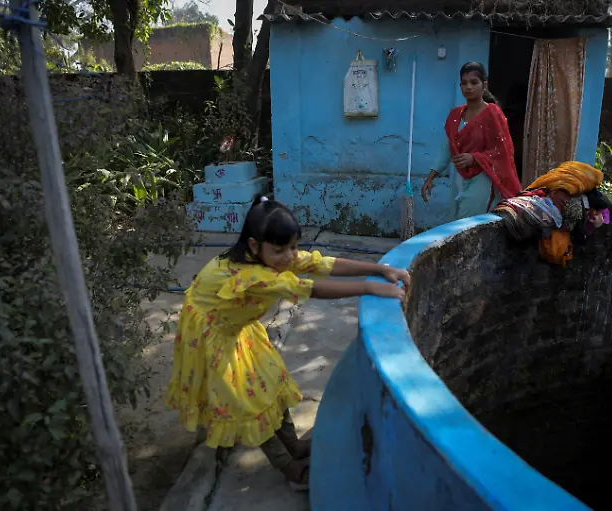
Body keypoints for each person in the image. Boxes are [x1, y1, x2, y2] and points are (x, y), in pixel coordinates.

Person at [164, 195, 410, 491]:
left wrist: (379, 270)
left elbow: (322, 264)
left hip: (237, 327)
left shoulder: (271, 257)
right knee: (247, 403)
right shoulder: (254, 276)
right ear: (254, 246)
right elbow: (310, 288)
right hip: (213, 336)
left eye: (293, 247)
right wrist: (369, 288)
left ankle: (293, 446)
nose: (290, 256)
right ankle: (288, 466)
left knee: (272, 383)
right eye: (280, 250)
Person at [421, 61, 522, 220]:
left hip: (484, 177)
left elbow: (502, 150)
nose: (468, 87)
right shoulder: (455, 115)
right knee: (456, 222)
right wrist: (431, 177)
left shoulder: (492, 113)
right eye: (464, 83)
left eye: (474, 82)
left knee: (467, 224)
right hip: (460, 177)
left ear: (484, 85)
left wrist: (474, 158)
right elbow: (447, 147)